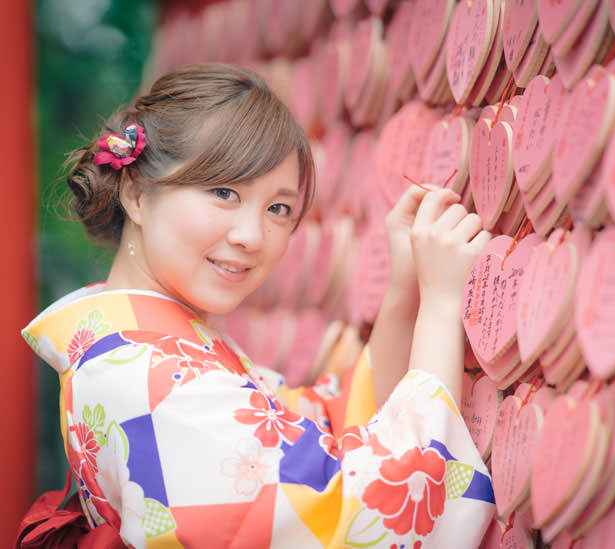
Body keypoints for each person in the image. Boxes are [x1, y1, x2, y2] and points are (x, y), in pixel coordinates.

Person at [21, 63, 495, 548]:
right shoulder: (150, 378)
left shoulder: (138, 350)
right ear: (137, 195)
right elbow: (350, 510)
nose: (251, 236)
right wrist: (440, 305)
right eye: (224, 192)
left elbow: (323, 429)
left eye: (278, 209)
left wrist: (404, 292)